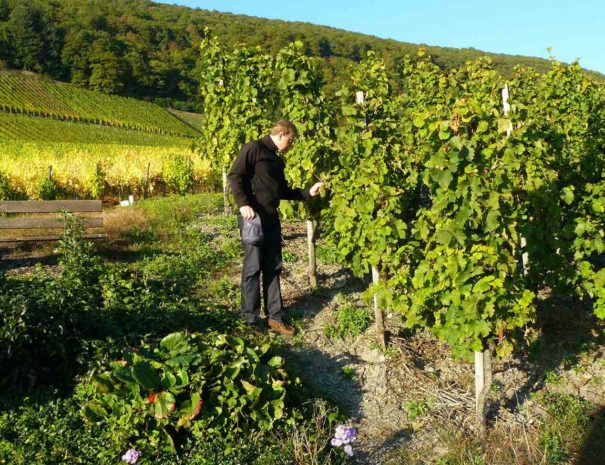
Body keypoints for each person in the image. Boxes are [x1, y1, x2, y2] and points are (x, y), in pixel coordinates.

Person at [228, 120, 323, 335]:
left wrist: (308, 193)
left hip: (271, 218)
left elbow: (282, 191)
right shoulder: (254, 149)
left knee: (273, 267)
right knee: (252, 268)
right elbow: (235, 176)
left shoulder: (277, 161)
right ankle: (251, 320)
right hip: (253, 217)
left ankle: (275, 318)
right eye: (290, 141)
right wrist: (243, 204)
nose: (291, 145)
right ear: (281, 134)